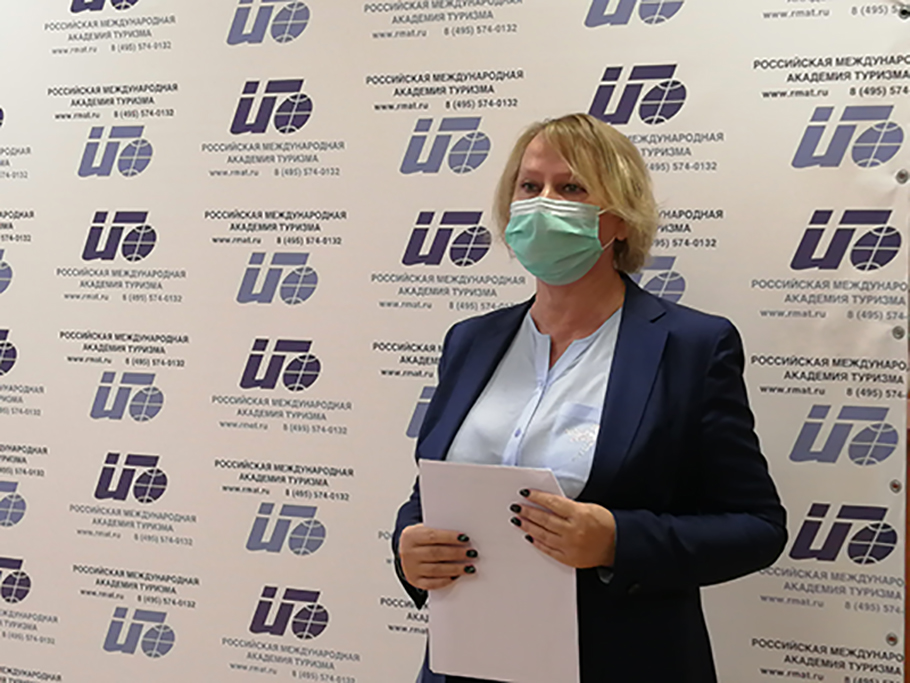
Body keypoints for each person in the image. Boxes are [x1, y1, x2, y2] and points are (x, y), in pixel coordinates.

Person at [392, 113, 787, 682]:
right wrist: (408, 547)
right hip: (465, 663)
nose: (543, 203)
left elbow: (757, 527)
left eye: (571, 187)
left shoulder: (692, 347)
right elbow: (431, 492)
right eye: (530, 186)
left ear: (620, 219)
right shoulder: (471, 341)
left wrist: (617, 541)